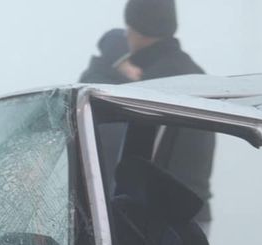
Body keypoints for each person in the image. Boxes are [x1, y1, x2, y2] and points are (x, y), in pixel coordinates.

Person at [80, 0, 215, 225]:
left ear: (135, 30)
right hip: (195, 217)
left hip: (156, 224)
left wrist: (117, 61)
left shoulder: (145, 84)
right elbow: (111, 39)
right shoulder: (194, 75)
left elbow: (90, 87)